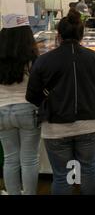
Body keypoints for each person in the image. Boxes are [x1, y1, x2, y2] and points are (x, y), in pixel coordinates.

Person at [26, 9, 95, 195]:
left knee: (62, 175)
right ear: (82, 34)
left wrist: (50, 100)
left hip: (55, 128)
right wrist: (90, 97)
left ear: (58, 35)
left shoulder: (44, 60)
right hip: (89, 124)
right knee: (88, 169)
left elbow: (32, 95)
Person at [0, 14, 41, 195]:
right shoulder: (32, 57)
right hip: (27, 109)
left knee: (10, 159)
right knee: (29, 159)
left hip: (1, 110)